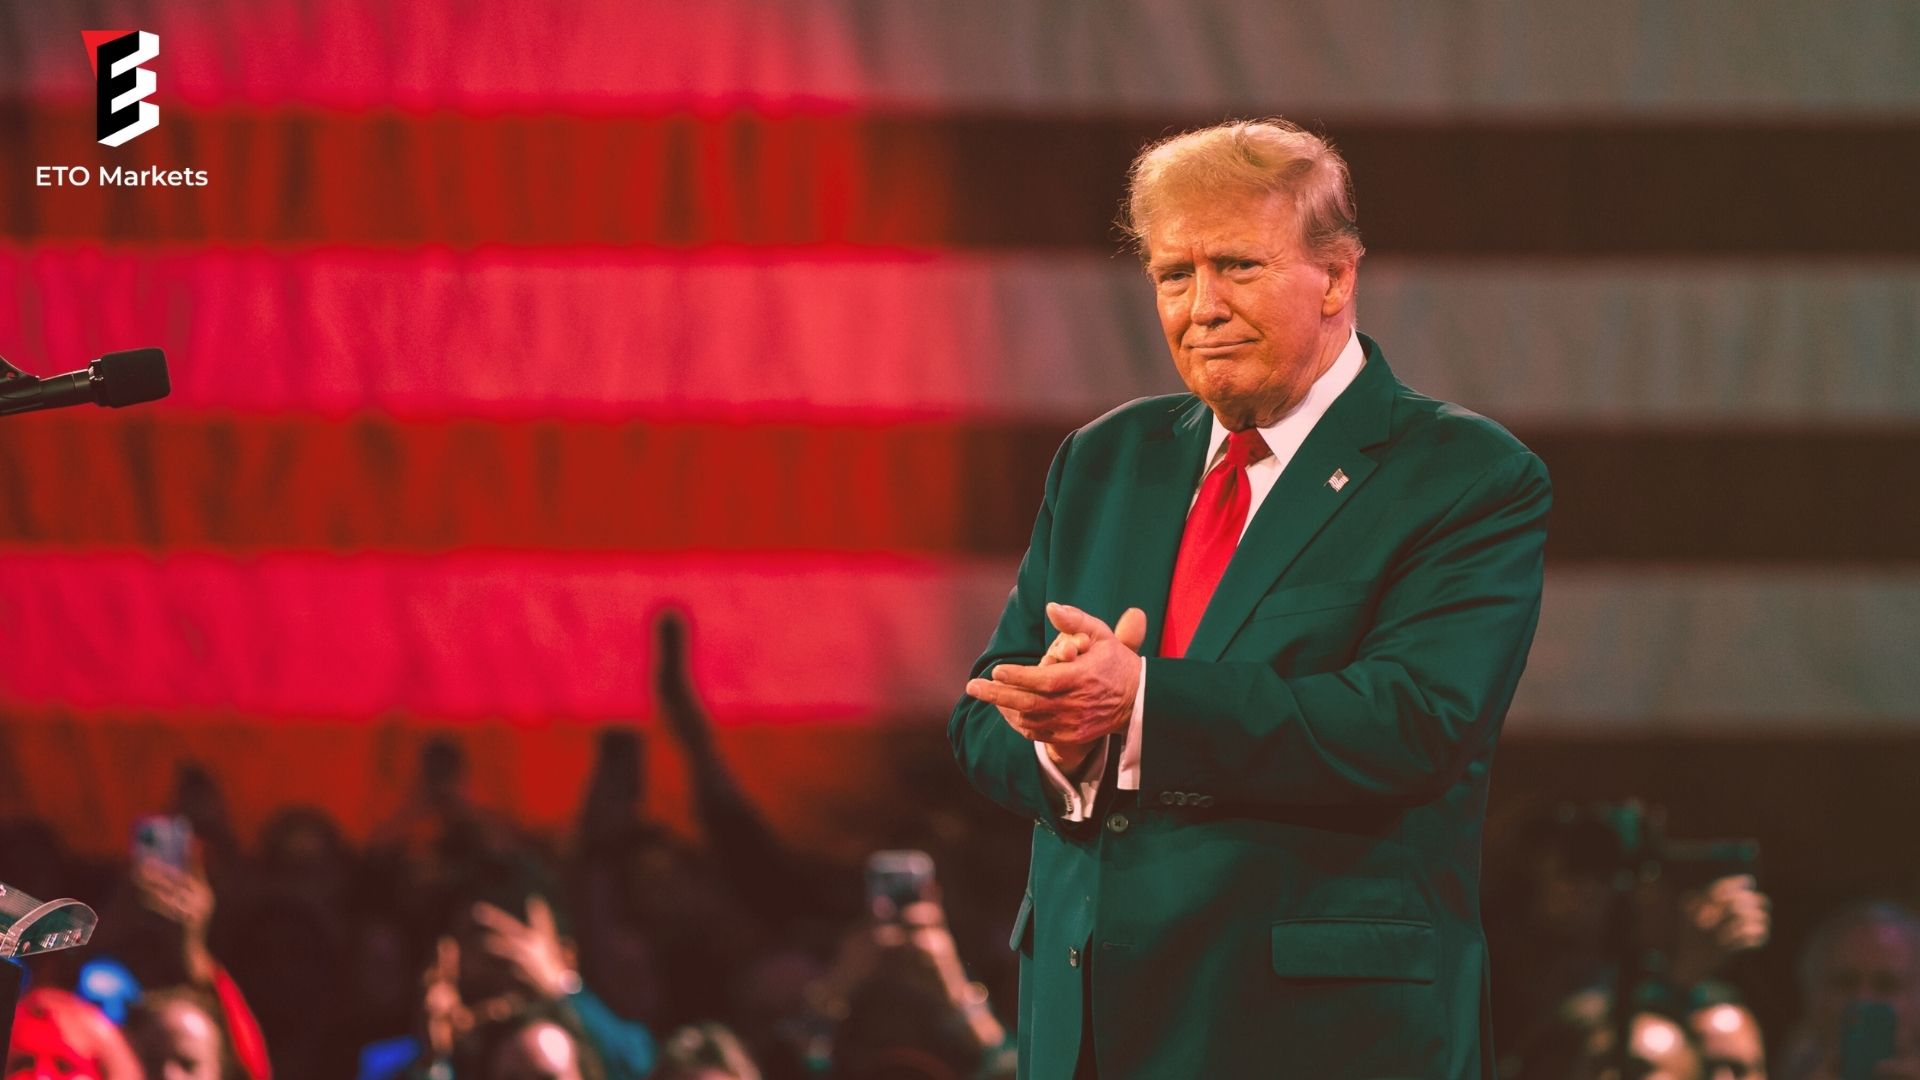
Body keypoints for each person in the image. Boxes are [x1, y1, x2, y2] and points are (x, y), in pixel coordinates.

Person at [949, 118, 1552, 1078]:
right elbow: (986, 704)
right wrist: (1056, 734)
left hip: (1313, 1034)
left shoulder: (1463, 476)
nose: (1203, 306)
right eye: (1173, 275)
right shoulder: (1107, 459)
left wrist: (1141, 705)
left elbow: (1414, 721)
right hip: (1091, 1027)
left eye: (1236, 266)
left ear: (1339, 278)